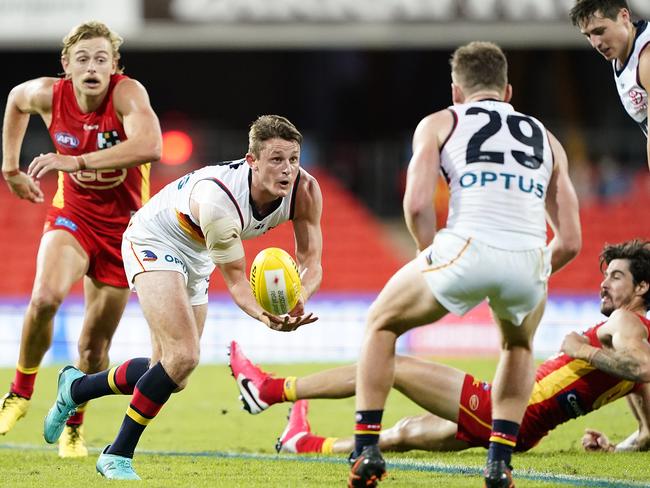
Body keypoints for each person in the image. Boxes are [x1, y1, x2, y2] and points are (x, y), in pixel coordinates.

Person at [332, 41, 582, 488]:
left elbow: (416, 203)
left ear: (456, 91)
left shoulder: (440, 122)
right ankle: (499, 462)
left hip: (464, 247)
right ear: (508, 91)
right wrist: (534, 267)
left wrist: (430, 253)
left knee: (381, 324)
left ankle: (367, 449)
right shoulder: (548, 139)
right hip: (528, 256)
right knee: (518, 347)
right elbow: (572, 240)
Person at [42, 114, 324, 480]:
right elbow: (238, 284)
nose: (287, 169)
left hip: (197, 253)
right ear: (252, 161)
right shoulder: (221, 202)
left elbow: (311, 262)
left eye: (293, 159)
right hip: (153, 239)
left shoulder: (306, 190)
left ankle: (77, 387)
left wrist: (298, 296)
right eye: (275, 159)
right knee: (184, 356)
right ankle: (117, 454)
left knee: (175, 373)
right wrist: (268, 316)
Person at [228, 239, 650, 458]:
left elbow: (642, 368)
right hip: (521, 428)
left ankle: (269, 389)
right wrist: (618, 446)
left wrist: (582, 350)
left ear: (642, 288)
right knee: (406, 433)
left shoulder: (625, 323)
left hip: (503, 411)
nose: (604, 282)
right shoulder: (638, 332)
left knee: (391, 363)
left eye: (616, 276)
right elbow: (647, 431)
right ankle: (306, 443)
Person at [0, 21, 162, 458]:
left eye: (101, 59)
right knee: (45, 298)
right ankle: (19, 392)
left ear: (115, 67)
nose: (92, 67)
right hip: (73, 215)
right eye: (83, 58)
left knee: (94, 349)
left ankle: (74, 422)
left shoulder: (127, 94)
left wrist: (77, 160)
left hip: (123, 230)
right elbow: (15, 100)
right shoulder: (48, 95)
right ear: (66, 66)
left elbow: (151, 145)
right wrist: (10, 169)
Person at [570, 0, 650, 172]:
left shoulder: (646, 60)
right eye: (588, 35)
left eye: (599, 31)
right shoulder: (624, 53)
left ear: (624, 16)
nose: (595, 43)